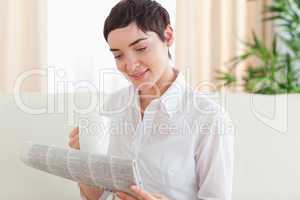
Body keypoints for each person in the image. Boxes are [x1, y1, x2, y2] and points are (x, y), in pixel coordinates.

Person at [68, 0, 234, 199]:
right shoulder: (112, 108)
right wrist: (85, 159)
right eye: (118, 55)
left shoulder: (208, 118)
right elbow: (97, 197)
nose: (130, 65)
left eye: (140, 48)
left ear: (168, 35)